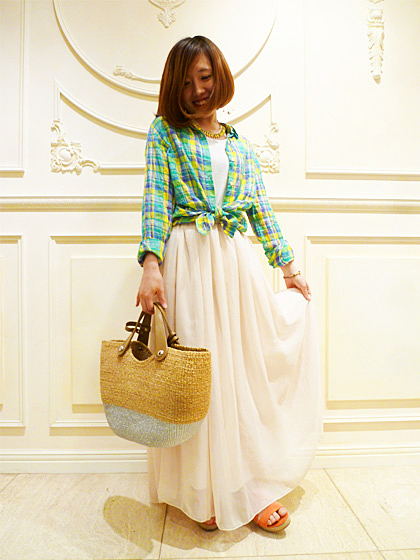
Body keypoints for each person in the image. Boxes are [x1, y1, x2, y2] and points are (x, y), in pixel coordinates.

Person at [136, 35, 323, 533]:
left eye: (205, 77)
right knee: (202, 378)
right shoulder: (164, 132)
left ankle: (247, 486)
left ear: (219, 76)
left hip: (236, 264)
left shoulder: (239, 143)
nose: (198, 90)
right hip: (189, 260)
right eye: (187, 82)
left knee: (241, 373)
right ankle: (204, 491)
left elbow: (260, 207)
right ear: (174, 87)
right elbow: (155, 199)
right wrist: (151, 264)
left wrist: (289, 268)